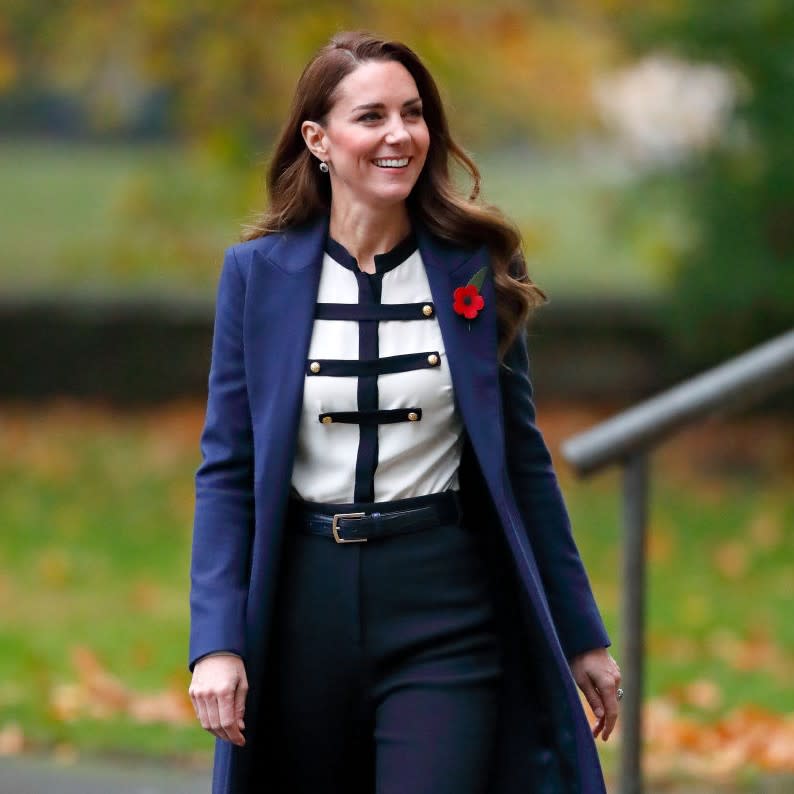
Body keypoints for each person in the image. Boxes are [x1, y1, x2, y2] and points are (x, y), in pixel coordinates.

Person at [188, 30, 621, 794]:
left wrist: (581, 636)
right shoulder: (257, 276)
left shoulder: (474, 269)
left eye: (413, 113)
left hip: (444, 611)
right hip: (300, 609)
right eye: (372, 116)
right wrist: (216, 643)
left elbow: (522, 462)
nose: (399, 134)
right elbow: (226, 470)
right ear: (318, 139)